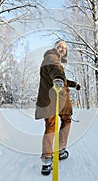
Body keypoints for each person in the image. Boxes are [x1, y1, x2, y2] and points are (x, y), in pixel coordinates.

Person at [35, 40, 81, 175]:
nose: (62, 49)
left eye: (65, 48)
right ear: (55, 48)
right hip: (52, 99)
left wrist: (73, 84)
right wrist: (59, 79)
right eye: (60, 46)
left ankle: (56, 153)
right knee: (51, 125)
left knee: (66, 120)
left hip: (59, 98)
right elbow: (54, 70)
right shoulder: (51, 56)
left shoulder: (57, 62)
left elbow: (60, 76)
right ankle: (49, 157)